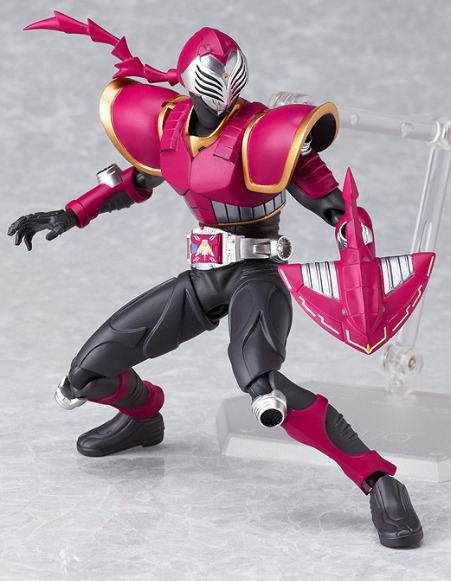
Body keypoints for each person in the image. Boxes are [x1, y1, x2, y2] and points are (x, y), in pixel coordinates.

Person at [8, 12, 423, 548]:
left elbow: (333, 203)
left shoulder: (266, 132)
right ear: (188, 80)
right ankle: (143, 414)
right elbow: (135, 180)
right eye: (211, 77)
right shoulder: (170, 126)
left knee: (263, 386)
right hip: (204, 277)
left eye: (230, 76)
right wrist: (71, 213)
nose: (223, 88)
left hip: (257, 275)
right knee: (84, 375)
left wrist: (351, 233)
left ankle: (379, 480)